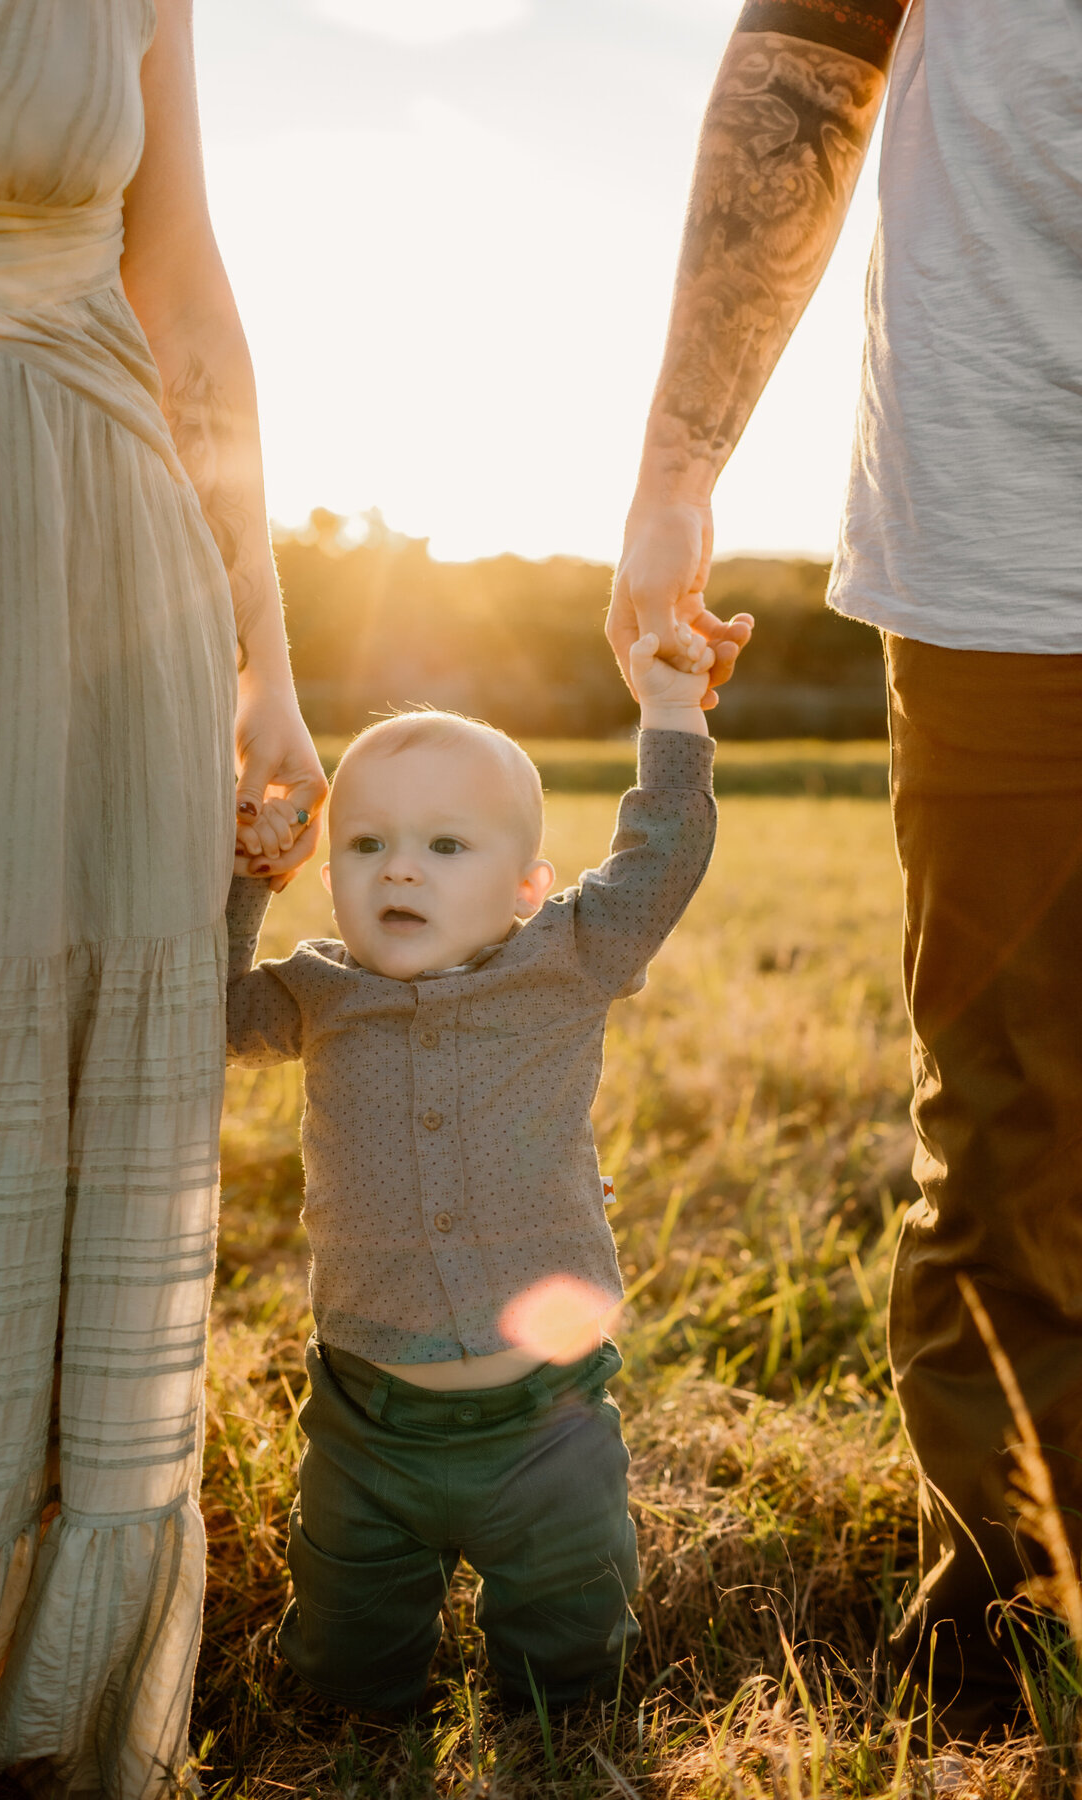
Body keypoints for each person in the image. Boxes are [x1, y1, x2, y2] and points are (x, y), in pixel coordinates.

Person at [609, 0, 1082, 1743]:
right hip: (1009, 536)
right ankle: (1012, 1631)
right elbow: (811, 58)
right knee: (1012, 1119)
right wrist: (680, 462)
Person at [0, 0, 324, 1791]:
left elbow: (185, 287)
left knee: (80, 1119)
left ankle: (36, 1704)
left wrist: (264, 653)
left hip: (99, 543)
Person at [223, 623, 737, 1711]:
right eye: (366, 846)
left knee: (567, 1661)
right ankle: (365, 1714)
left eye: (447, 848)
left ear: (524, 885)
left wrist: (672, 711)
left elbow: (664, 856)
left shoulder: (569, 957)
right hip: (366, 1431)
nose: (400, 866)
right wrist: (250, 879)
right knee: (344, 1674)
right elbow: (209, 1016)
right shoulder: (319, 994)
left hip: (546, 1425)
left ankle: (558, 1721)